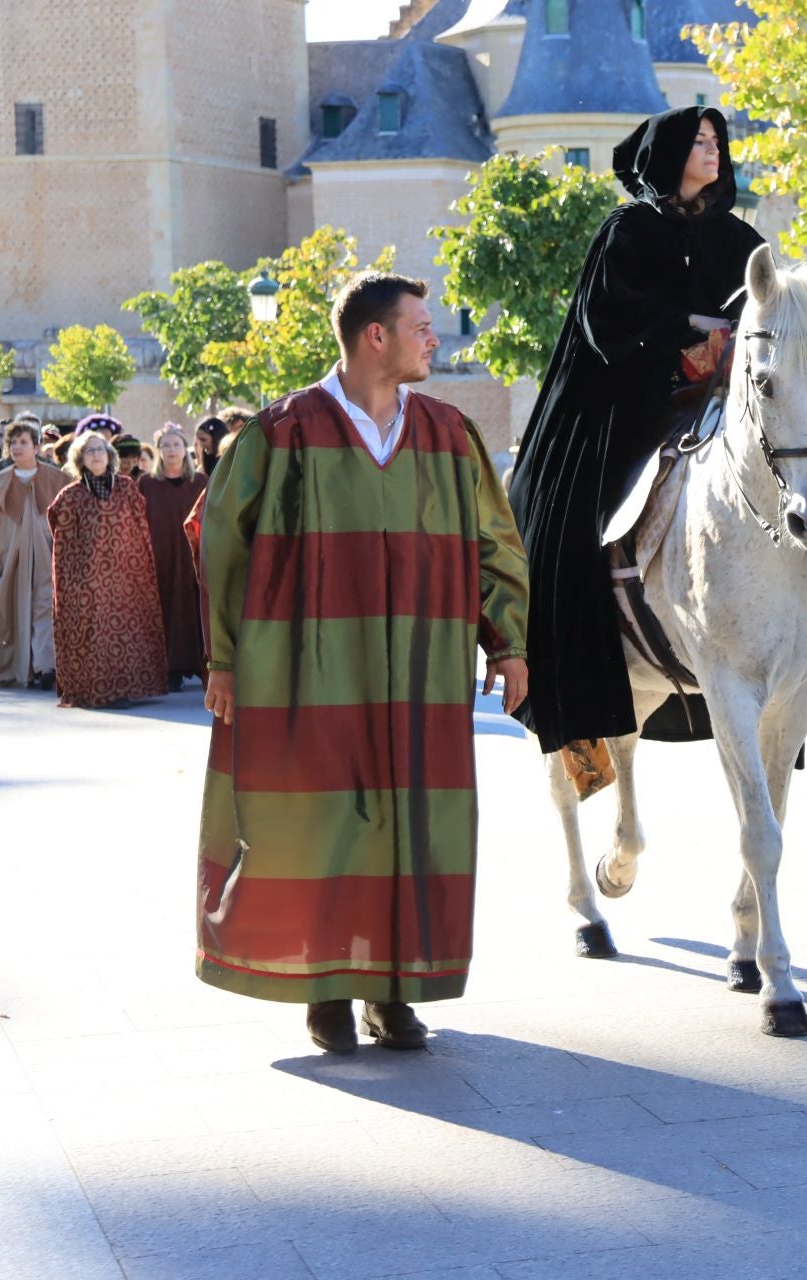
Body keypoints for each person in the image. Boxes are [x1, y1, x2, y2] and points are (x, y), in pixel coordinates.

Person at [198, 271, 532, 1054]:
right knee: (318, 824)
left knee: (412, 826)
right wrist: (224, 659)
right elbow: (219, 542)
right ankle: (327, 990)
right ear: (374, 336)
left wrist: (508, 642)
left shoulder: (450, 434)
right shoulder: (282, 434)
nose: (434, 338)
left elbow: (496, 544)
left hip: (421, 669)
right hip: (306, 667)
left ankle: (395, 990)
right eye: (421, 325)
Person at [505, 104, 767, 754]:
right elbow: (607, 322)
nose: (713, 151)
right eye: (699, 141)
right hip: (625, 396)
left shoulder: (741, 240)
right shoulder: (626, 230)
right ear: (669, 152)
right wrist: (693, 329)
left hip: (721, 396)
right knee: (574, 519)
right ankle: (572, 680)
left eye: (717, 142)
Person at [47, 433, 168, 709]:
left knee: (126, 630)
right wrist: (72, 580)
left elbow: (141, 528)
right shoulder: (71, 495)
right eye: (89, 451)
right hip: (87, 578)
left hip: (126, 575)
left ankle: (124, 688)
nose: (96, 455)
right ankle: (93, 690)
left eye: (100, 450)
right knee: (93, 632)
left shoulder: (125, 487)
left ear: (109, 454)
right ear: (80, 458)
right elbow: (61, 540)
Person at [0, 423, 69, 690]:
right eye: (13, 442)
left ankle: (46, 666)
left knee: (45, 608)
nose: (17, 447)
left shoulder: (57, 481)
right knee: (11, 613)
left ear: (37, 447)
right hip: (9, 563)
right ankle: (18, 666)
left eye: (23, 442)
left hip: (48, 560)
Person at [138, 424, 207, 689]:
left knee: (195, 608)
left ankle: (201, 666)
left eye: (176, 444)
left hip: (194, 556)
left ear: (186, 449)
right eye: (165, 445)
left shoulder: (200, 482)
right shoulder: (147, 484)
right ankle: (170, 669)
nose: (171, 450)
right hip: (161, 556)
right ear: (158, 451)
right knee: (165, 609)